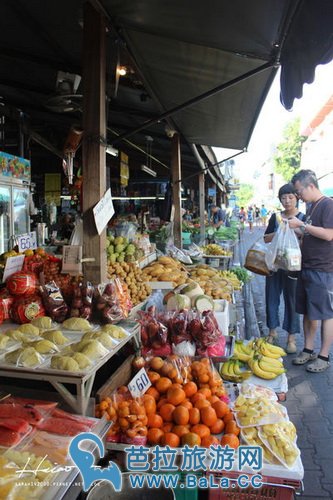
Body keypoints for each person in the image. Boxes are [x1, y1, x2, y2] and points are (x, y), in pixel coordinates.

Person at [288, 169, 333, 372]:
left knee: (325, 313)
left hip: (322, 269)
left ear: (311, 186)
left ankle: (323, 355)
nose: (298, 196)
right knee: (307, 311)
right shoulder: (311, 207)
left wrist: (303, 227)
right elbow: (309, 232)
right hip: (306, 267)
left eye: (299, 191)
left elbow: (328, 235)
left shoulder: (328, 204)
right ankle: (308, 348)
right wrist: (292, 229)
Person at [264, 184, 305, 353]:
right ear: (279, 200)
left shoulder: (302, 217)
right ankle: (272, 333)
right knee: (271, 298)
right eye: (283, 198)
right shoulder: (276, 218)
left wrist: (297, 230)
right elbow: (266, 238)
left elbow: (307, 239)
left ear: (296, 199)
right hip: (274, 265)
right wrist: (281, 230)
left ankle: (291, 338)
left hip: (293, 267)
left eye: (290, 197)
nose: (287, 201)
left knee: (292, 302)